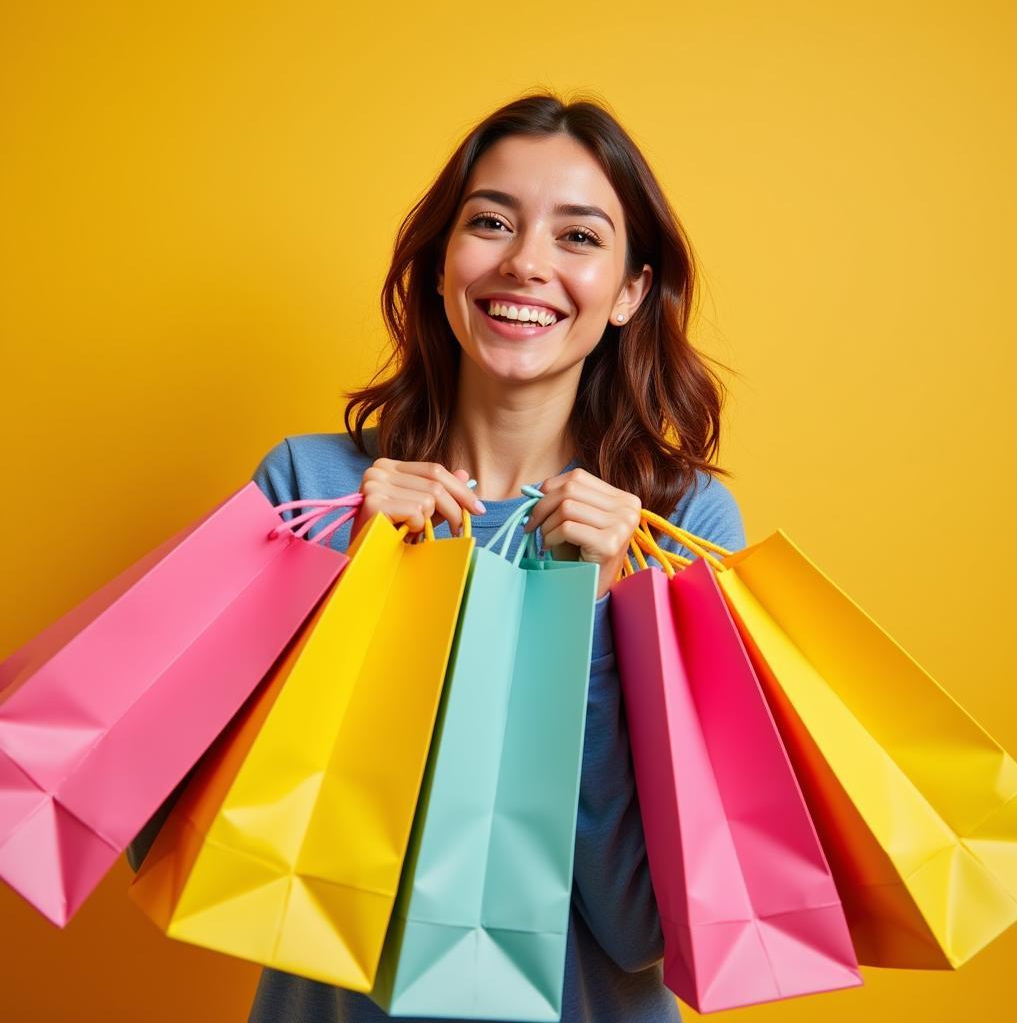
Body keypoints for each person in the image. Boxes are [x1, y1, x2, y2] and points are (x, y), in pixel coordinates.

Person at [128, 90, 746, 1023]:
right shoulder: (309, 489)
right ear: (440, 264)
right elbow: (177, 839)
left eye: (578, 237)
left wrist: (596, 614)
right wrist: (358, 595)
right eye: (491, 222)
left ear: (629, 291)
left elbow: (641, 926)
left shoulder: (681, 526)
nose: (527, 263)